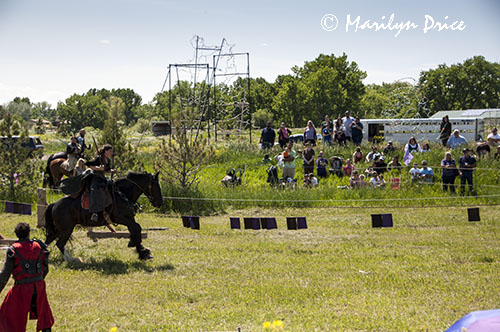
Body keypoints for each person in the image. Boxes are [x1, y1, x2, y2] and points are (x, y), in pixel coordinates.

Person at [0, 222, 54, 332]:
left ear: (17, 235)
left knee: (7, 313)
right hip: (39, 286)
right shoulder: (39, 246)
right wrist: (38, 280)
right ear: (29, 233)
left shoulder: (13, 249)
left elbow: (5, 273)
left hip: (22, 288)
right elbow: (45, 268)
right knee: (44, 313)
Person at [86, 144, 116, 222]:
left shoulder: (107, 160)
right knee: (96, 191)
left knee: (112, 187)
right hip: (95, 178)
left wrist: (113, 171)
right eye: (110, 151)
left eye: (111, 151)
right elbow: (89, 165)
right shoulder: (98, 158)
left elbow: (107, 170)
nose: (111, 153)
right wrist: (98, 168)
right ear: (105, 151)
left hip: (102, 178)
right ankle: (94, 212)